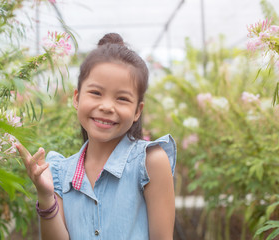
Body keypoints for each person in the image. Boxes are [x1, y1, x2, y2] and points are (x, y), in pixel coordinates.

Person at [16, 33, 176, 240]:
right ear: (77, 97)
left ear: (138, 111)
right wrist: (46, 197)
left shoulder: (150, 162)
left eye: (122, 98)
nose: (107, 106)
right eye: (96, 93)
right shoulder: (59, 173)